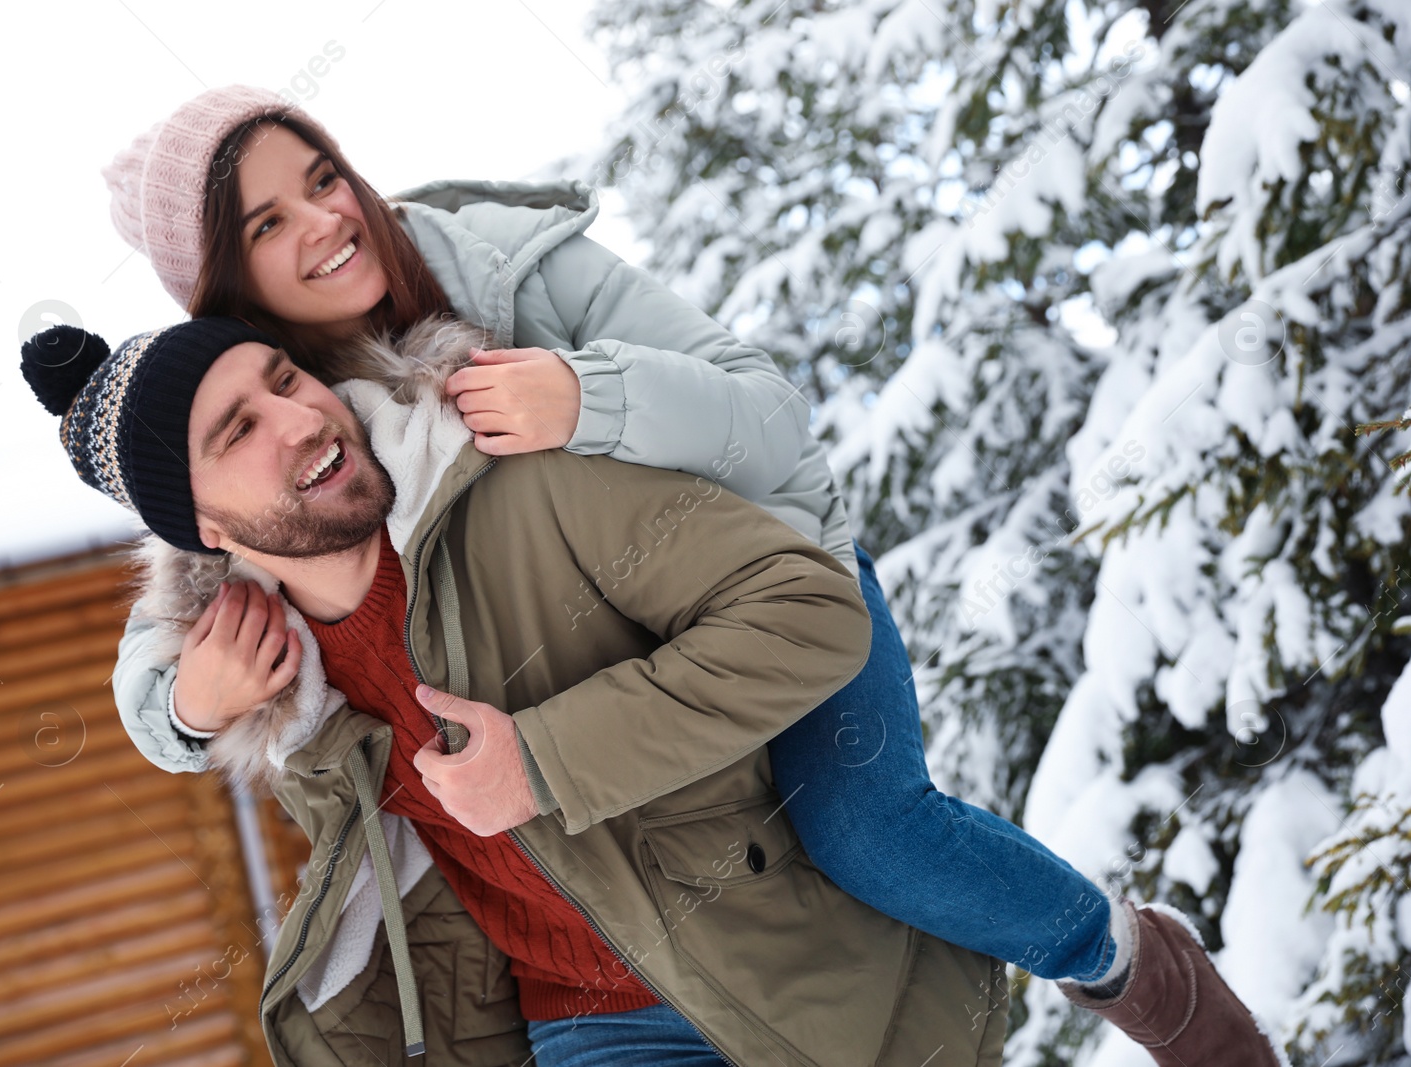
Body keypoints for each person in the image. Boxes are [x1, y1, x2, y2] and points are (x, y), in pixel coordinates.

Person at [98, 86, 1280, 1065]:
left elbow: (769, 416)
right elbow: (174, 626)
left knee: (865, 832)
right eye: (264, 225)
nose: (324, 219)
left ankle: (1130, 964)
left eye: (321, 176)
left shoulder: (502, 271)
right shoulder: (283, 432)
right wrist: (186, 705)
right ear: (221, 289)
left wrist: (588, 394)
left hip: (768, 557)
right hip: (618, 848)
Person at [19, 314, 1011, 1065]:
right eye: (238, 430)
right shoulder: (282, 685)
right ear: (206, 531)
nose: (298, 418)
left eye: (284, 378)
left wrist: (545, 759)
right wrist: (191, 705)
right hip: (585, 1020)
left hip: (791, 962)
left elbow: (811, 611)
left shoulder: (519, 489)